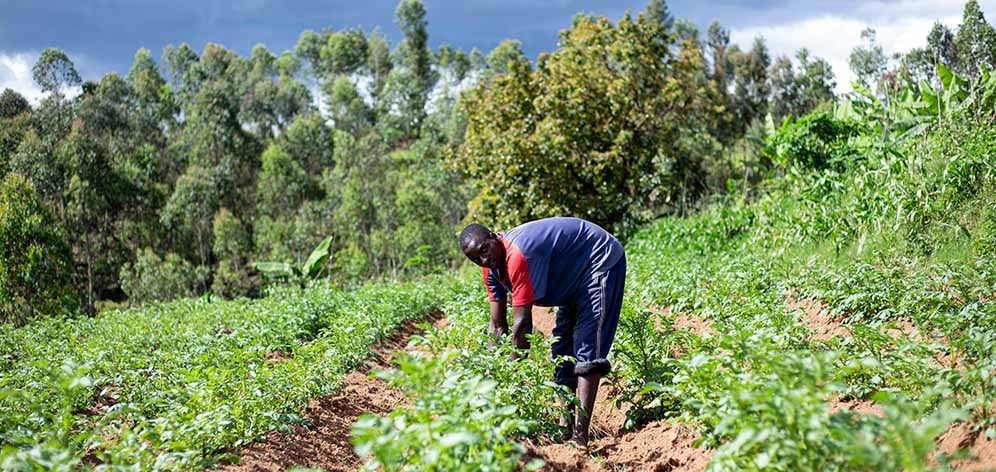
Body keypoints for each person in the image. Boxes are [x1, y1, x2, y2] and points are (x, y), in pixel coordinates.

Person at [459, 216, 626, 446]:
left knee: (587, 345)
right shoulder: (490, 269)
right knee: (562, 349)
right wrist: (494, 371)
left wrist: (516, 377)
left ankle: (580, 436)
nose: (484, 259)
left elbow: (522, 325)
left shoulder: (517, 255)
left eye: (485, 250)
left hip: (599, 259)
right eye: (476, 259)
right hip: (571, 279)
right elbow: (496, 326)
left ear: (494, 236)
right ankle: (564, 426)